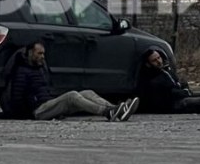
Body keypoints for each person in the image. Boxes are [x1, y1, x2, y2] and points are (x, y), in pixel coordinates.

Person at [9, 42, 138, 121]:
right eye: (39, 53)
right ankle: (106, 112)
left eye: (43, 54)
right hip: (38, 111)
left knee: (88, 92)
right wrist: (28, 115)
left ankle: (115, 109)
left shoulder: (40, 69)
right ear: (30, 53)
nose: (42, 57)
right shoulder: (21, 71)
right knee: (72, 95)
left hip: (48, 104)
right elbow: (16, 97)